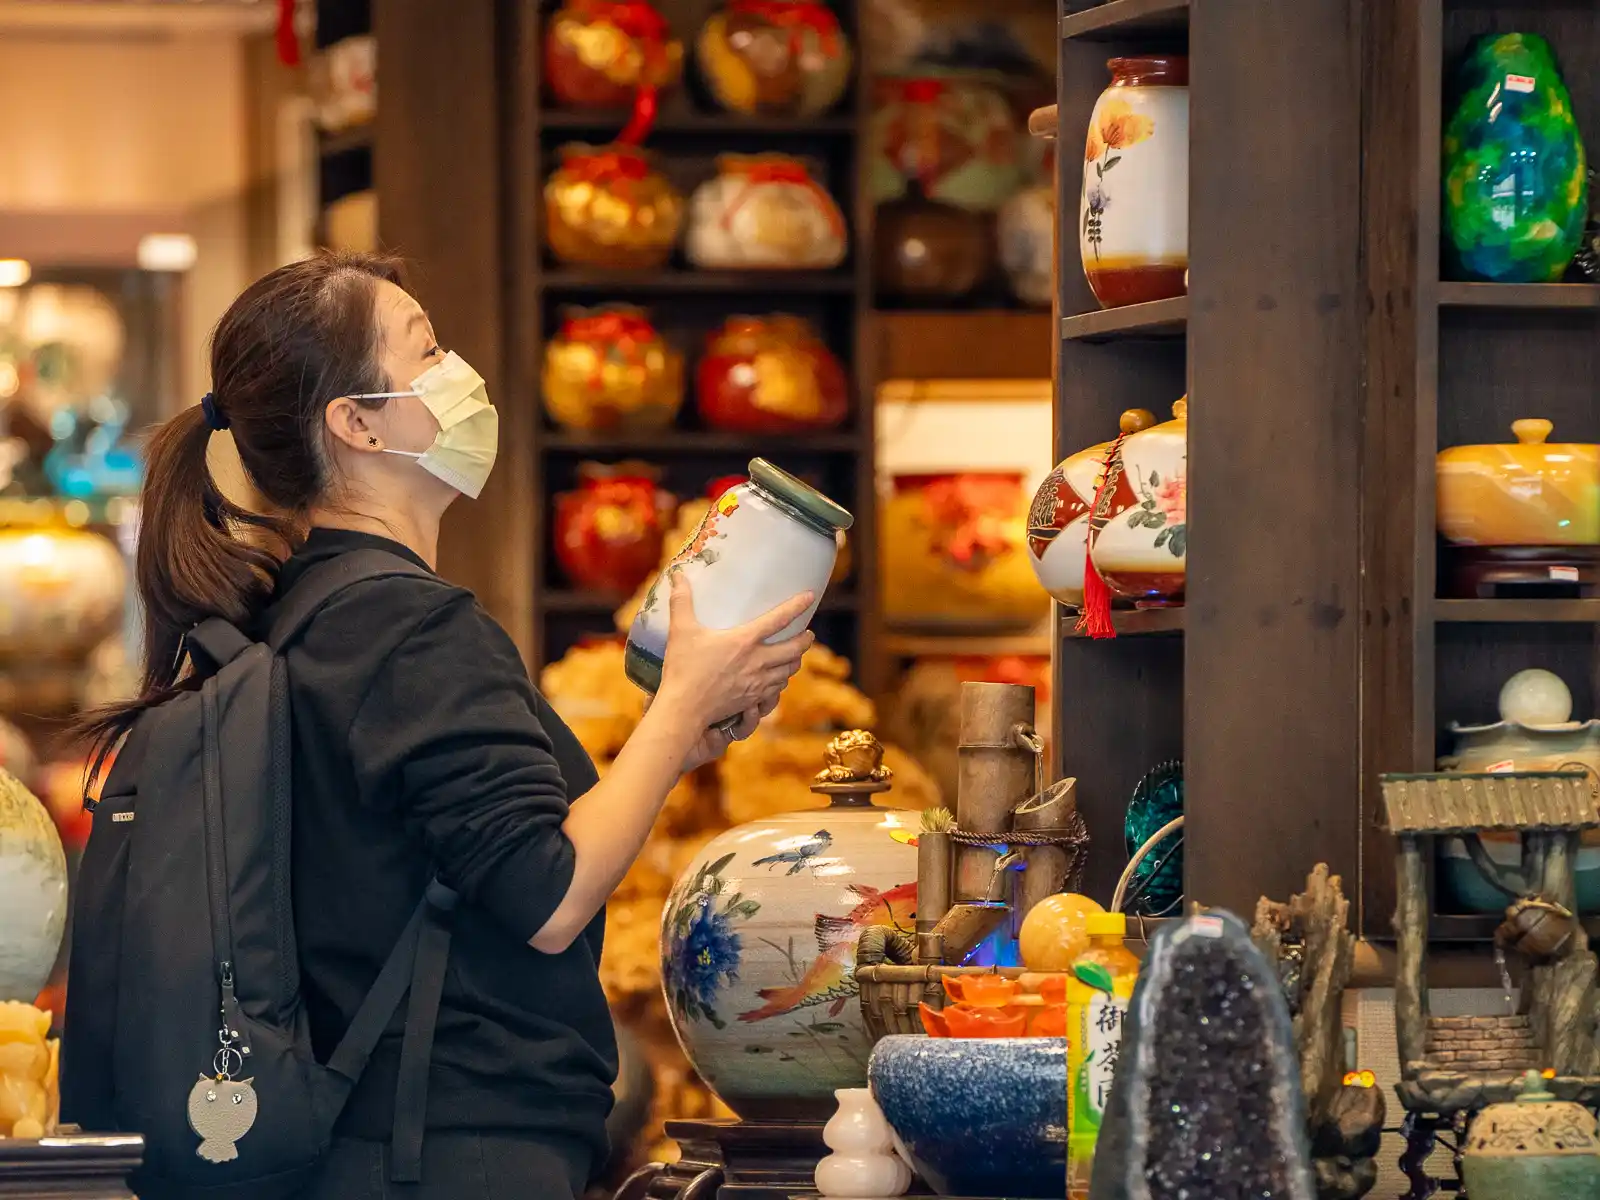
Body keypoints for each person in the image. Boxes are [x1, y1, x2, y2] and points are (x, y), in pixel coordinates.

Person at [80, 252, 814, 1199]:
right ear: (355, 423)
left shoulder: (310, 613)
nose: (459, 375)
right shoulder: (411, 628)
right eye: (427, 353)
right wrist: (676, 706)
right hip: (454, 1145)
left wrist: (686, 730)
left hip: (369, 1138)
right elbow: (547, 898)